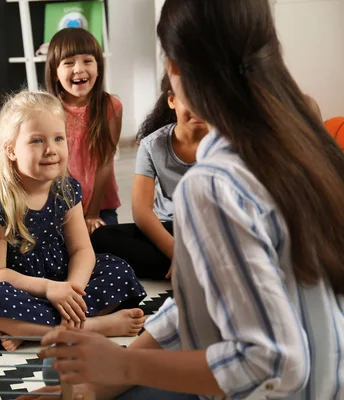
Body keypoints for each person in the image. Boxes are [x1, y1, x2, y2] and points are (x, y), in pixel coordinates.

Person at [24, 0, 344, 399]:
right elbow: (207, 301)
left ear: (174, 68)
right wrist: (104, 383)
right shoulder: (307, 142)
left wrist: (124, 364)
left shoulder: (213, 184)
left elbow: (273, 364)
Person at [0, 91, 146, 351]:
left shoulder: (66, 191)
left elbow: (82, 250)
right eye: (37, 141)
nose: (51, 149)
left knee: (119, 270)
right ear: (11, 150)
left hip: (62, 280)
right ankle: (91, 327)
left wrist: (72, 291)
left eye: (59, 138)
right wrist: (49, 290)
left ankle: (31, 330)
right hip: (16, 287)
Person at [90, 73, 207, 279]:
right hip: (168, 230)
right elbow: (142, 212)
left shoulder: (228, 143)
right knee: (101, 237)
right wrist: (176, 252)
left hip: (211, 231)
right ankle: (198, 266)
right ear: (172, 100)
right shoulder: (152, 145)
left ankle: (196, 266)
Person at [45, 28, 122, 234]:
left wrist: (92, 213)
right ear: (54, 71)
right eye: (69, 63)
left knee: (109, 254)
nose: (79, 69)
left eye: (87, 61)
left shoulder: (111, 106)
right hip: (57, 206)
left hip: (100, 206)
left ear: (99, 67)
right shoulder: (46, 109)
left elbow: (106, 161)